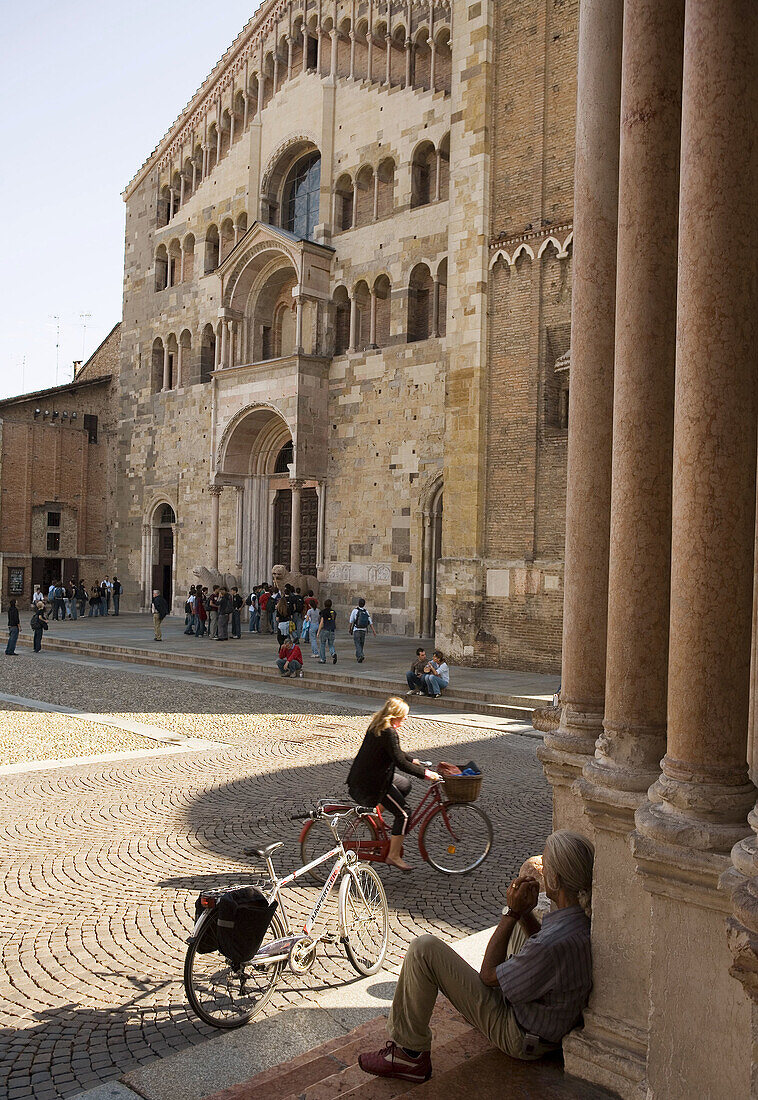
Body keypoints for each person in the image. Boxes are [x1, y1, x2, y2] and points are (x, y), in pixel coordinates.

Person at [358, 830, 595, 1083]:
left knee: (423, 948)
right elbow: (542, 949)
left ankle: (409, 1055)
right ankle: (483, 997)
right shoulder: (578, 921)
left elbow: (488, 976)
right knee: (515, 926)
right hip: (544, 1022)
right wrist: (524, 914)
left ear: (556, 880)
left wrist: (512, 912)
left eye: (546, 867)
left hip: (521, 1035)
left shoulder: (552, 943)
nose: (543, 872)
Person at [347, 697, 441, 872]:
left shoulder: (377, 725)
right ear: (394, 715)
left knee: (404, 785)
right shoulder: (388, 732)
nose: (406, 719)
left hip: (366, 776)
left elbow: (395, 752)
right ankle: (393, 856)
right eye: (404, 716)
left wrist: (413, 759)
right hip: (374, 782)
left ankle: (376, 813)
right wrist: (426, 774)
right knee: (404, 814)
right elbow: (399, 762)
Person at [349, 598, 377, 663]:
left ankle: (361, 655)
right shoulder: (366, 611)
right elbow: (370, 622)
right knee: (361, 644)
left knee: (357, 643)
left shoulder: (355, 611)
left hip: (357, 629)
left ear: (358, 603)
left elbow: (351, 621)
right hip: (363, 630)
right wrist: (373, 631)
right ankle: (358, 657)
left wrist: (350, 629)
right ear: (364, 604)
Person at [317, 599, 337, 664]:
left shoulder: (323, 612)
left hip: (325, 629)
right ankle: (333, 653)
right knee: (331, 644)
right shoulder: (333, 612)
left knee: (322, 644)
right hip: (332, 629)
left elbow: (322, 622)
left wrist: (318, 631)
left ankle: (323, 659)